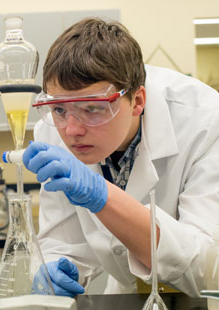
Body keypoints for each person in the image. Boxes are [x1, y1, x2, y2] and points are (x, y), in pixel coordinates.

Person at [22, 17, 219, 297]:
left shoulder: (206, 121)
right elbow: (64, 242)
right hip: (127, 296)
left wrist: (104, 197)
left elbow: (207, 267)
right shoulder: (53, 129)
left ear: (137, 101)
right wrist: (56, 267)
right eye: (59, 109)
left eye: (92, 108)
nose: (72, 130)